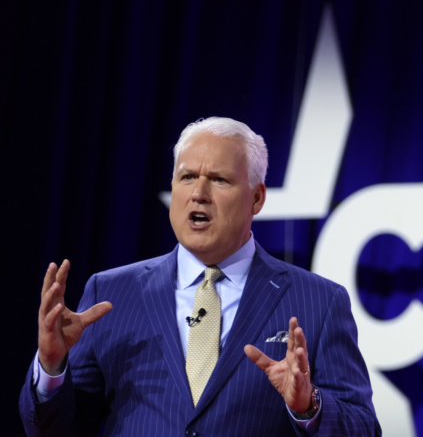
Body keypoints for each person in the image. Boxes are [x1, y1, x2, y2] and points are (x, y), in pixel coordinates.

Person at [20, 117, 381, 437]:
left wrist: (309, 406)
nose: (198, 194)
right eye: (187, 177)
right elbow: (60, 429)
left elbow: (363, 427)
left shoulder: (318, 302)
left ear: (256, 198)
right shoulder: (112, 293)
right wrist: (52, 369)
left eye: (219, 180)